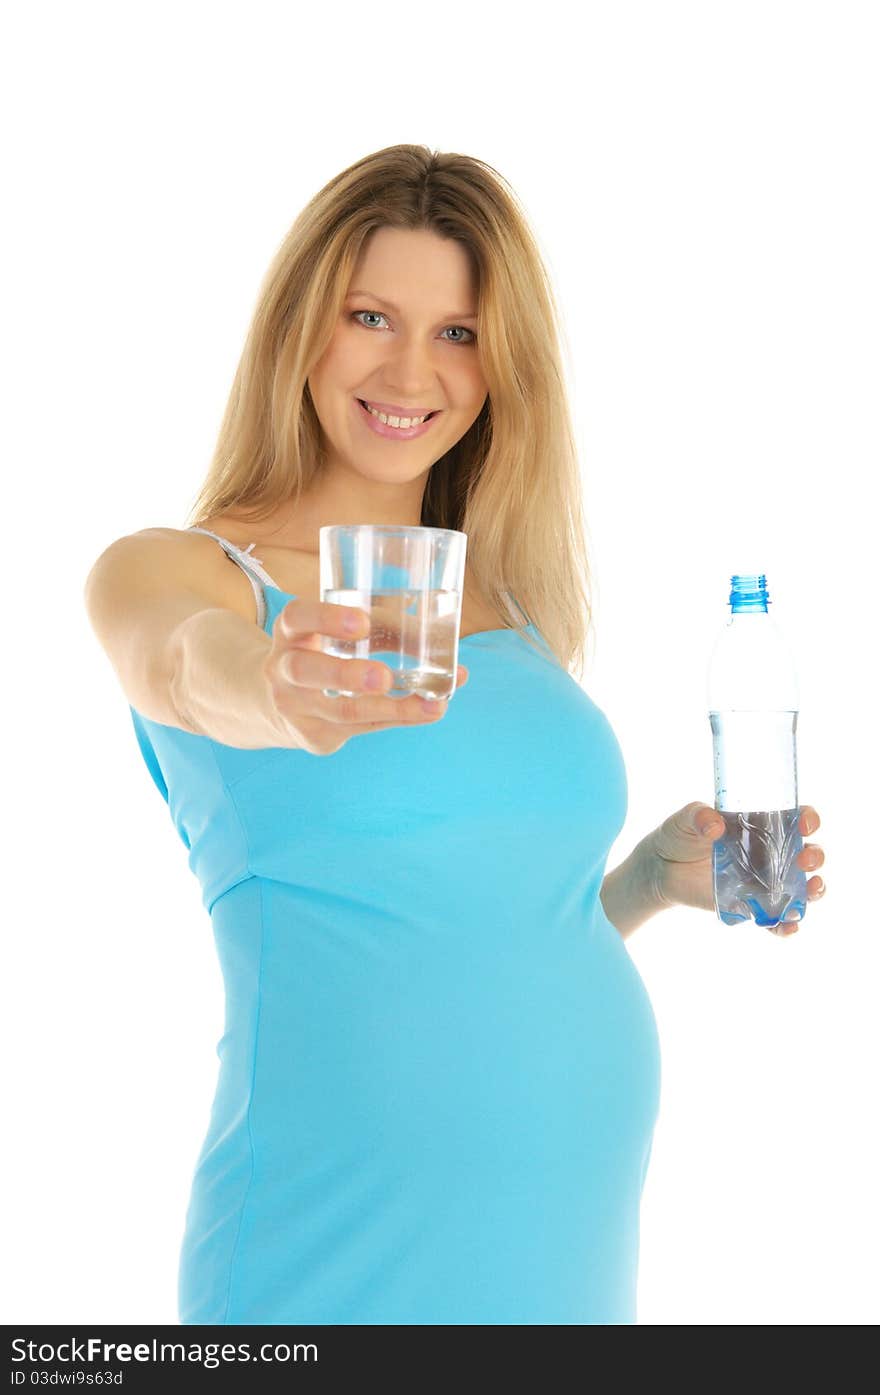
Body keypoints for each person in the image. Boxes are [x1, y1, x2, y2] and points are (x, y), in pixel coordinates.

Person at [83, 144, 826, 1325]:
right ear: (298, 330)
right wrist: (275, 684)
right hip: (331, 1253)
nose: (410, 369)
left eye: (460, 332)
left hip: (564, 1257)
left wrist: (639, 881)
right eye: (370, 314)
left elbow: (465, 927)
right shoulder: (183, 573)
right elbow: (177, 661)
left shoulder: (510, 611)